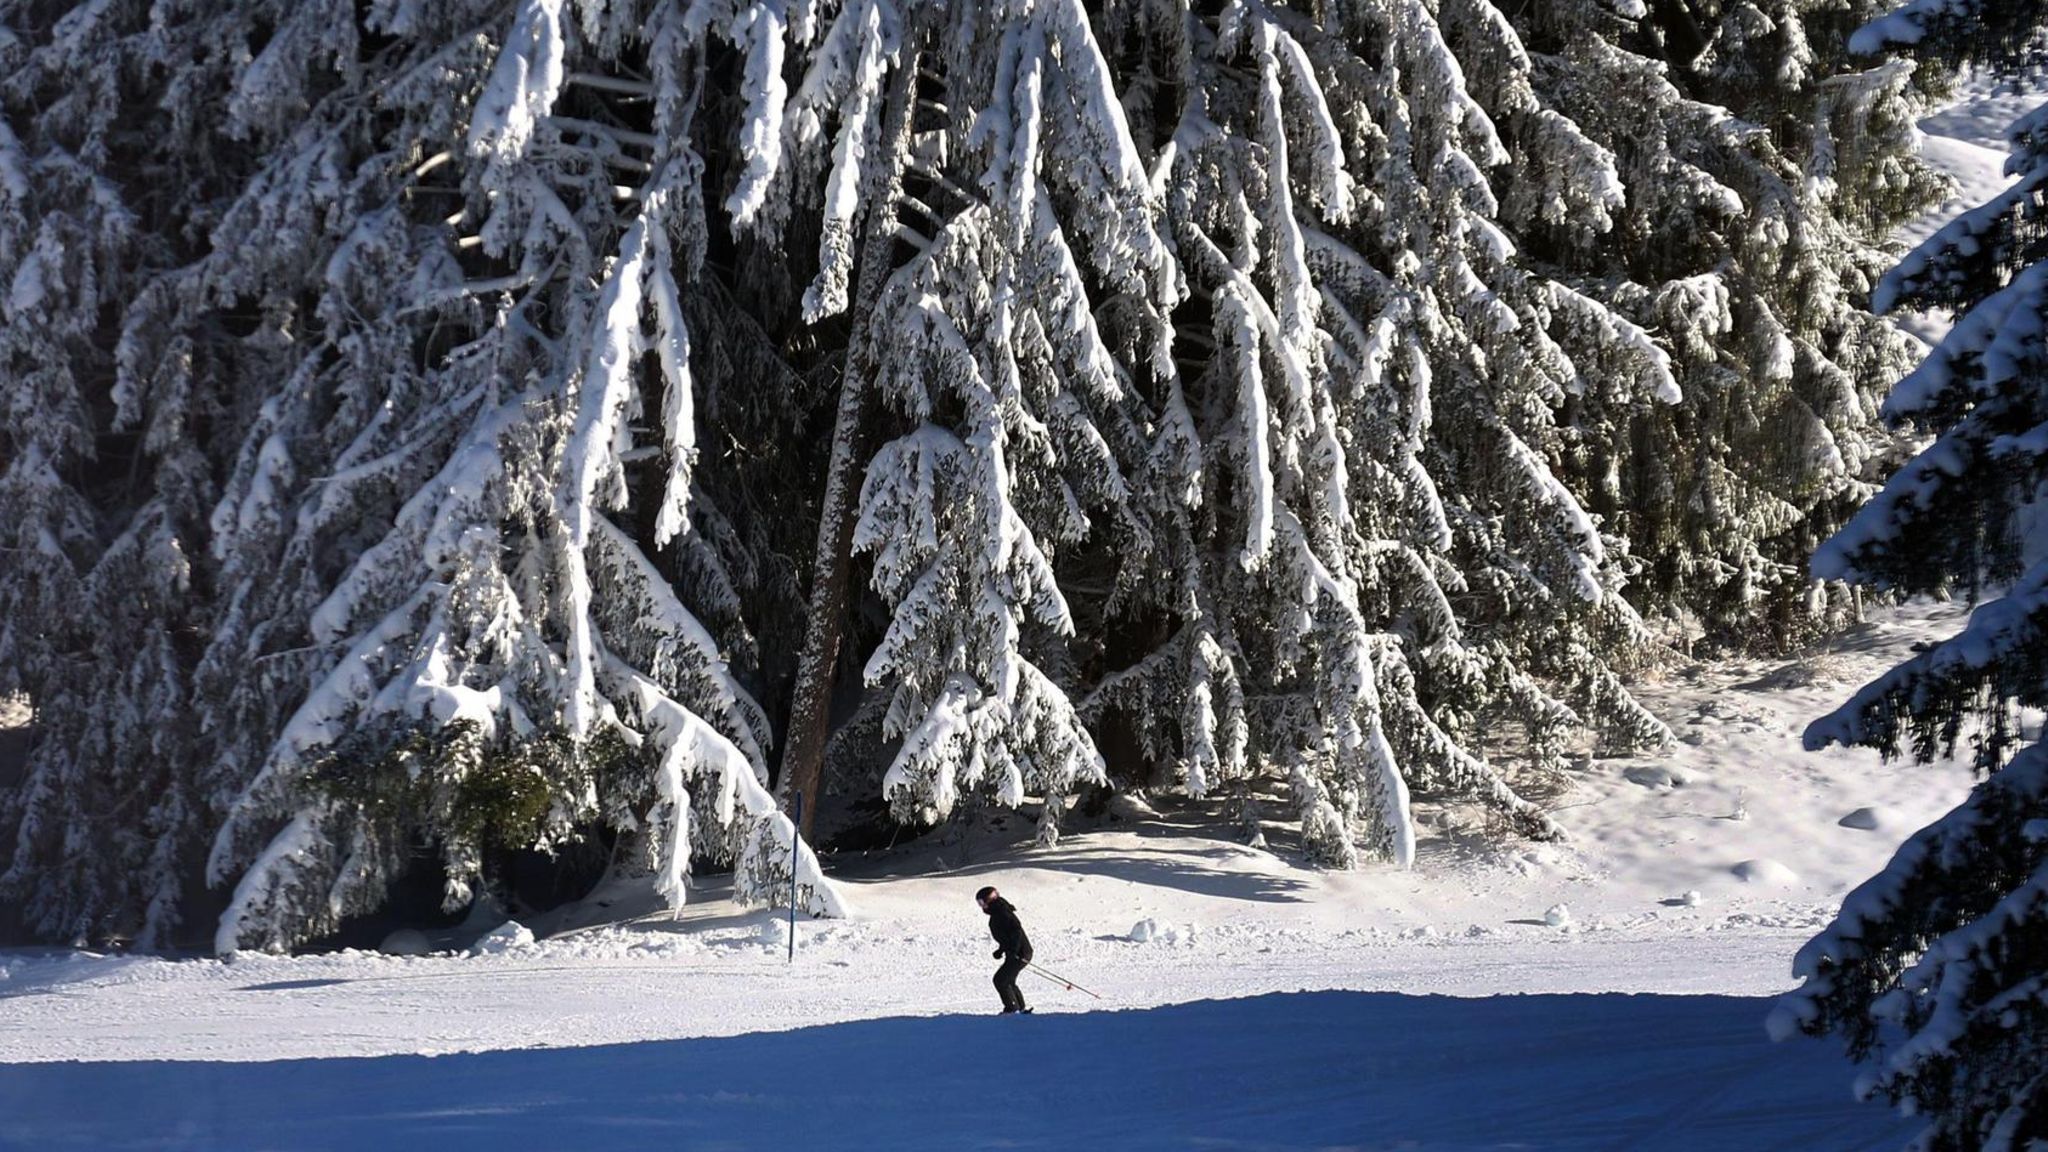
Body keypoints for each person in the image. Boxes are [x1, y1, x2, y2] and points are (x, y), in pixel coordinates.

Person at [976, 885, 1033, 1014]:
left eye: (982, 902)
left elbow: (1016, 931)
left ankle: (1012, 1009)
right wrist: (1001, 950)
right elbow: (1007, 936)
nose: (982, 906)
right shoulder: (999, 912)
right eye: (979, 903)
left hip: (1020, 953)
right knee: (1008, 980)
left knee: (1000, 980)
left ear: (990, 899)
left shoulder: (1002, 912)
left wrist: (1013, 950)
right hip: (1019, 951)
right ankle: (1019, 1008)